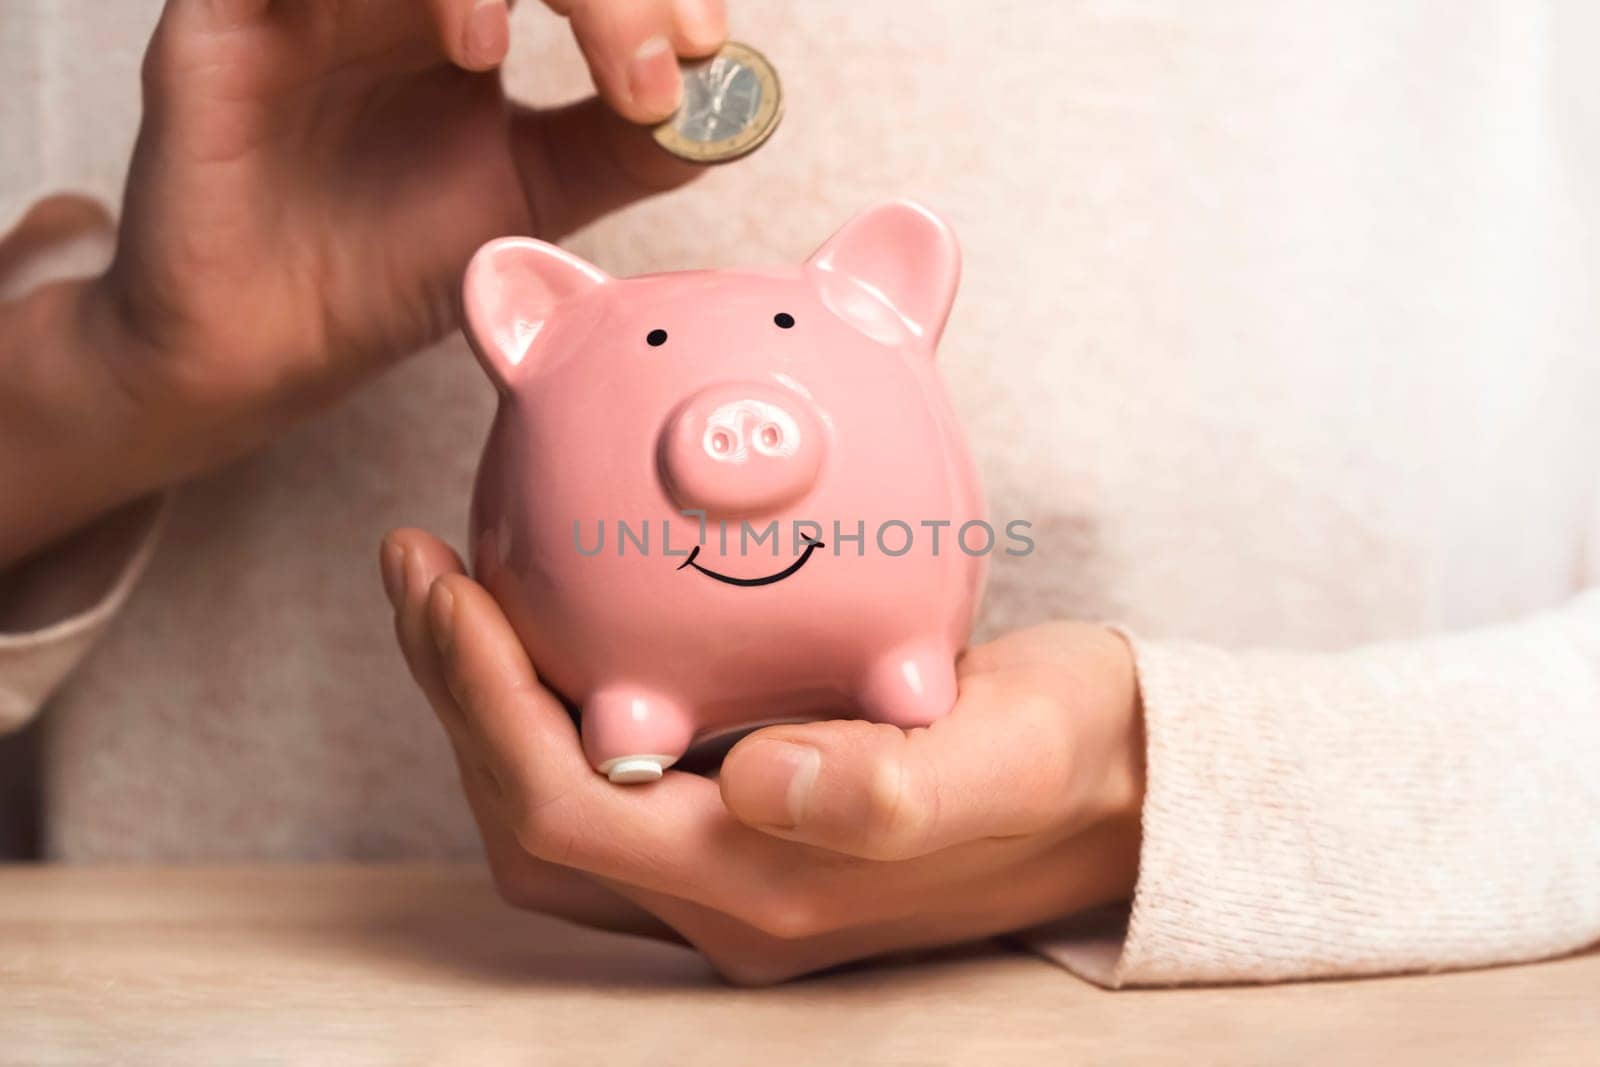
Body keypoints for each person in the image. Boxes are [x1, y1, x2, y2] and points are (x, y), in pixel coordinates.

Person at [1, 0, 1596, 986]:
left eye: (772, 345)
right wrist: (109, 381)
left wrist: (1187, 783)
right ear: (528, 325)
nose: (733, 436)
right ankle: (638, 699)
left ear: (889, 297)